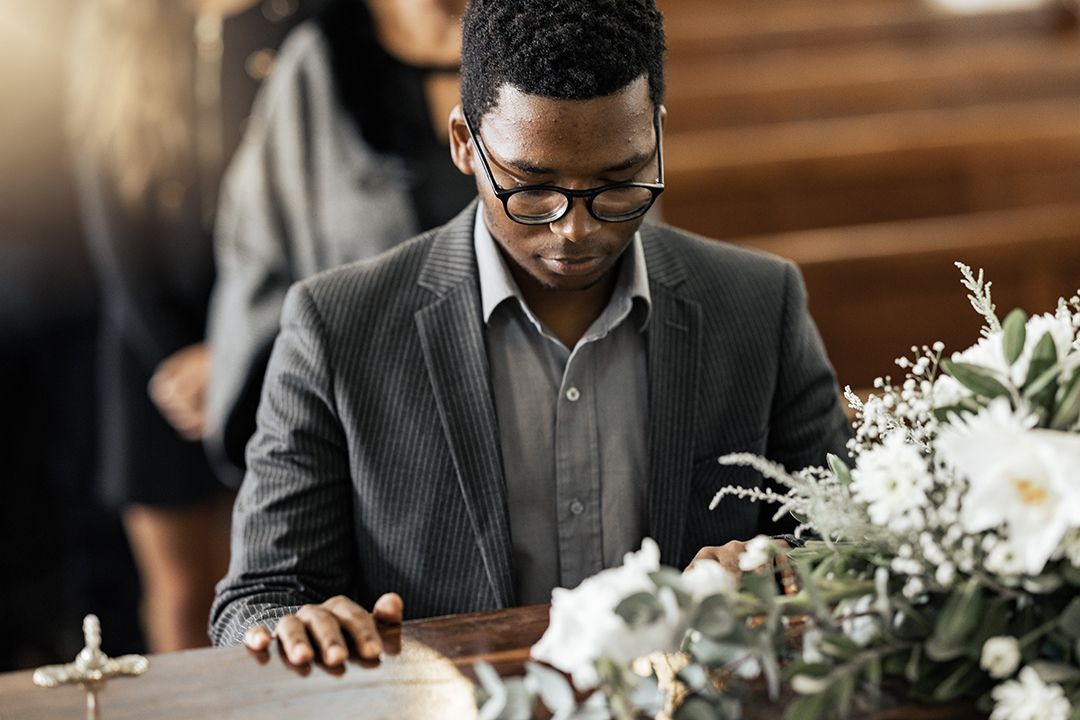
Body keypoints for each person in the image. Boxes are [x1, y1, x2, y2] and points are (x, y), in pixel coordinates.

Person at [210, 0, 851, 665]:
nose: (575, 229)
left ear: (657, 135)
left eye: (619, 180)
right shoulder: (336, 328)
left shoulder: (757, 305)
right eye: (532, 186)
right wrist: (296, 624)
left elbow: (843, 546)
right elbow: (259, 596)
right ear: (464, 143)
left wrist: (773, 565)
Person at [67, 0, 313, 651]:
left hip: (273, 349)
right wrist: (180, 356)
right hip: (154, 361)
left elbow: (311, 211)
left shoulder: (305, 19)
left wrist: (233, 357)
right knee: (178, 599)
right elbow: (108, 211)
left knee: (260, 593)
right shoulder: (115, 24)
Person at [204, 0, 475, 484]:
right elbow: (255, 248)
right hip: (366, 438)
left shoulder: (540, 37)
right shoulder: (319, 58)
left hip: (524, 407)